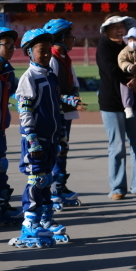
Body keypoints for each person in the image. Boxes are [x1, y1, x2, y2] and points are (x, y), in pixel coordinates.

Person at [9, 29, 69, 248]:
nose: (45, 55)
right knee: (36, 180)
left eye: (48, 51)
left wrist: (61, 133)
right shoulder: (29, 78)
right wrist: (31, 137)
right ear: (29, 52)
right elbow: (24, 110)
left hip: (51, 139)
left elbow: (57, 108)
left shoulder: (50, 76)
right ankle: (29, 223)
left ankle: (45, 219)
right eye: (40, 51)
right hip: (36, 140)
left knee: (47, 180)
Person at [97, 14, 136, 199]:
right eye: (114, 27)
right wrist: (130, 81)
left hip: (132, 102)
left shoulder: (134, 43)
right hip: (112, 103)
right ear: (106, 31)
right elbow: (110, 70)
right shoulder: (104, 46)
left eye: (121, 26)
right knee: (118, 146)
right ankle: (117, 188)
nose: (119, 29)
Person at [44, 18, 87, 210]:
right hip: (56, 114)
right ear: (60, 38)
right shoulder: (53, 60)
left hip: (65, 112)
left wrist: (74, 96)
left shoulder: (64, 58)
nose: (73, 39)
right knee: (58, 149)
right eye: (70, 36)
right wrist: (70, 100)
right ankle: (53, 190)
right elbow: (51, 90)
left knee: (63, 148)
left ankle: (60, 186)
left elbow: (73, 82)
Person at [0, 27, 22, 225]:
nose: (12, 49)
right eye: (7, 45)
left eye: (13, 45)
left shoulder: (8, 71)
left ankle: (1, 208)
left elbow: (20, 93)